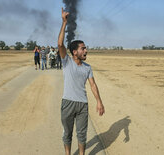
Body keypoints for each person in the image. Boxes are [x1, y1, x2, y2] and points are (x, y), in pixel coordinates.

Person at [58, 8, 105, 155]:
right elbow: (60, 45)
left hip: (82, 104)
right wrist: (64, 23)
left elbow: (92, 84)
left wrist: (99, 101)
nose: (86, 51)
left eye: (85, 48)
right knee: (67, 133)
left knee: (82, 134)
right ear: (74, 52)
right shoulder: (67, 62)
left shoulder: (87, 67)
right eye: (83, 48)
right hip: (68, 103)